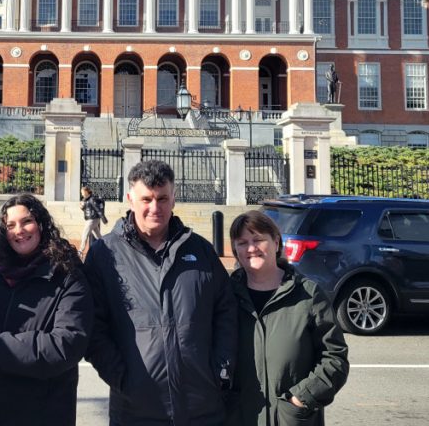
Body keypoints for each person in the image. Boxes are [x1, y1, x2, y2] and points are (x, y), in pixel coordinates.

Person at [84, 160, 238, 426]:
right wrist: (122, 379)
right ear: (130, 199)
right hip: (136, 410)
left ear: (174, 198)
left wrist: (221, 370)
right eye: (147, 199)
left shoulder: (200, 250)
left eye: (163, 198)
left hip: (202, 406)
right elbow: (93, 326)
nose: (155, 208)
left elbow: (225, 311)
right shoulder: (103, 255)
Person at [0, 194, 93, 426]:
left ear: (41, 224)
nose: (19, 230)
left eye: (26, 221)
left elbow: (68, 343)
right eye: (10, 225)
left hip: (43, 411)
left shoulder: (68, 276)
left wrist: (0, 347)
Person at [226, 210, 349, 426]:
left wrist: (301, 398)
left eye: (258, 240)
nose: (251, 248)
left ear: (276, 241)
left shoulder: (308, 295)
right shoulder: (224, 297)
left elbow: (335, 359)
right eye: (242, 242)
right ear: (235, 250)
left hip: (291, 419)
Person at [78, 186, 107, 258]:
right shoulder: (85, 199)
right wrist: (82, 207)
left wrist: (103, 218)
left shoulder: (92, 199)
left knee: (85, 234)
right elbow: (87, 209)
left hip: (92, 220)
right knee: (98, 236)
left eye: (82, 192)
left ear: (86, 192)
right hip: (91, 219)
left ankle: (80, 251)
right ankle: (107, 247)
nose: (81, 194)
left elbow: (97, 209)